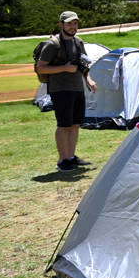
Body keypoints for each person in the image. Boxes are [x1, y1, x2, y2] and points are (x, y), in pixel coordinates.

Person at [35, 11, 97, 172]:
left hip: (77, 88)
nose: (73, 26)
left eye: (75, 23)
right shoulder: (53, 44)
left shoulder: (78, 42)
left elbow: (83, 64)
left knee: (75, 125)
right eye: (69, 23)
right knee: (64, 125)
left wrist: (88, 80)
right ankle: (62, 160)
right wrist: (64, 68)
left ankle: (71, 157)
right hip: (60, 89)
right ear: (61, 25)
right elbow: (40, 67)